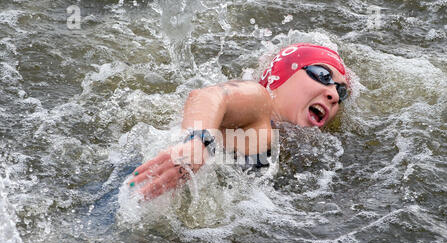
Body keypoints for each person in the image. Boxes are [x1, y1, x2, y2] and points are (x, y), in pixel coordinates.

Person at [128, 43, 350, 200]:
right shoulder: (259, 101)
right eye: (323, 75)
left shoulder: (288, 149)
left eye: (342, 91)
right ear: (281, 76)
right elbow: (209, 96)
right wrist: (197, 141)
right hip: (131, 195)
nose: (334, 95)